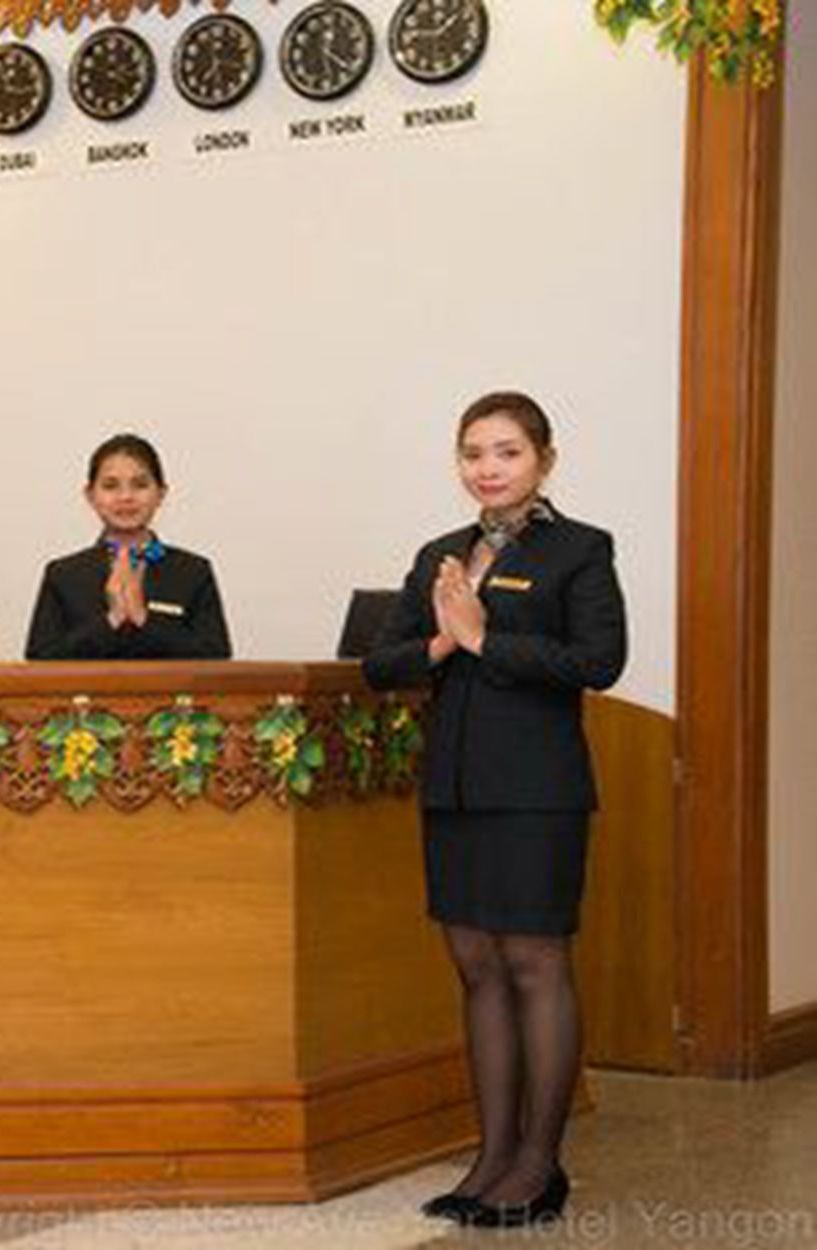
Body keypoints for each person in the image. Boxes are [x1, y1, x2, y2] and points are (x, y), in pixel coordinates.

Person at [363, 391, 626, 1230]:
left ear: (544, 459)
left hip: (538, 791)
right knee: (476, 967)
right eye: (473, 452)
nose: (488, 467)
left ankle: (541, 1166)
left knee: (534, 965)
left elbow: (598, 659)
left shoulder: (579, 550)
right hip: (455, 791)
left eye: (507, 452)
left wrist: (484, 640)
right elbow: (381, 662)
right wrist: (440, 641)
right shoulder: (440, 553)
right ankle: (492, 1157)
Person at [24, 433, 232, 660]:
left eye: (140, 485)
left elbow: (216, 659)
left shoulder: (194, 571)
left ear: (161, 494)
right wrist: (111, 620)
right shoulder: (63, 574)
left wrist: (143, 619)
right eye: (110, 486)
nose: (126, 497)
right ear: (90, 495)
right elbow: (39, 661)